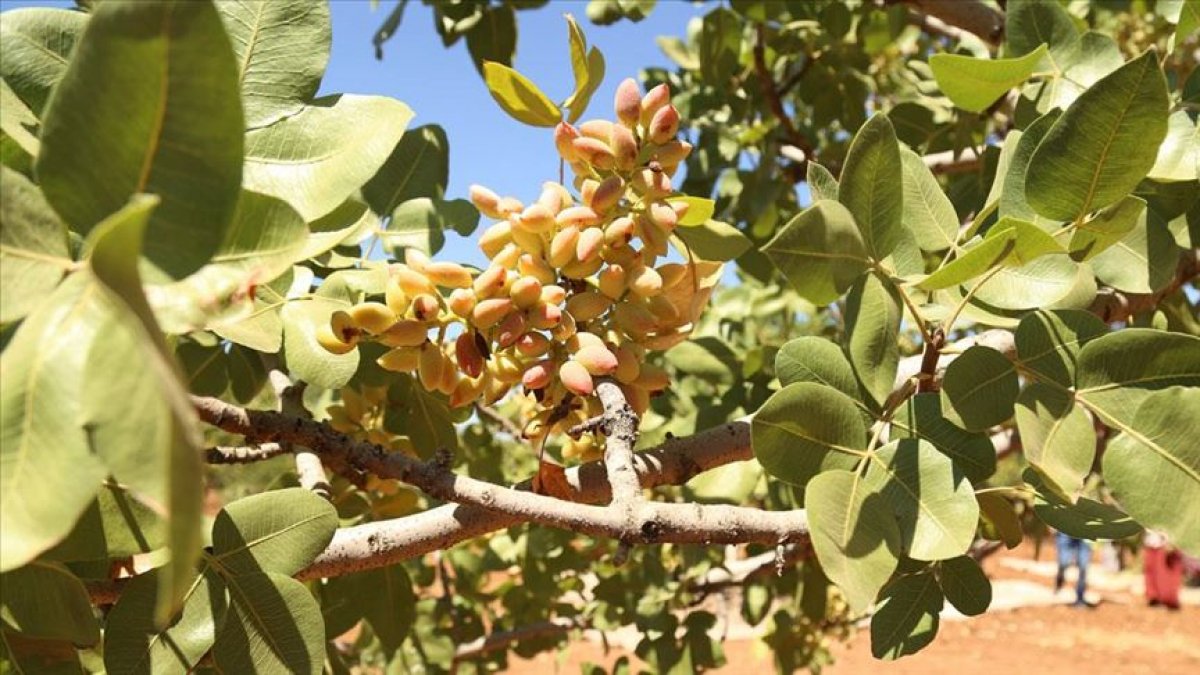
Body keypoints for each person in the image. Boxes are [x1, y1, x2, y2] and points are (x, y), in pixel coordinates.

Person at [1143, 530, 1182, 610]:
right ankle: (1156, 598)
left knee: (1166, 572)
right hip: (1155, 541)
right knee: (1154, 572)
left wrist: (1170, 542)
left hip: (1167, 543)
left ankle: (1169, 598)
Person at [1054, 531, 1092, 608]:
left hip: (1086, 530)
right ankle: (1060, 577)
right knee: (1064, 562)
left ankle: (1080, 599)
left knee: (1083, 566)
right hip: (1065, 529)